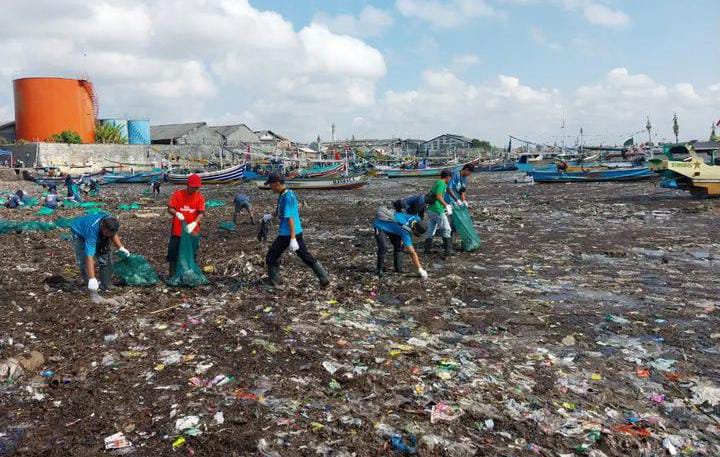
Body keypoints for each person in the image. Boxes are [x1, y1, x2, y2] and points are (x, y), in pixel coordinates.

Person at [264, 173, 329, 288]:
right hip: (294, 232)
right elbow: (281, 210)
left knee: (271, 257)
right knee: (305, 256)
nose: (270, 187)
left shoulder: (286, 197)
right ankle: (324, 278)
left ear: (277, 183)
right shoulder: (286, 193)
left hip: (287, 234)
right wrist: (270, 215)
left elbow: (290, 218)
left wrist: (293, 238)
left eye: (271, 184)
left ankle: (274, 282)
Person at [70, 214, 129, 292]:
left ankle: (106, 284)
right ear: (102, 227)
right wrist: (92, 278)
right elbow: (89, 255)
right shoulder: (92, 232)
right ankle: (90, 284)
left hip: (97, 230)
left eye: (111, 234)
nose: (110, 235)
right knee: (83, 259)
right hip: (78, 231)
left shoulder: (110, 222)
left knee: (105, 258)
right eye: (107, 234)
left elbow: (113, 234)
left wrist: (120, 247)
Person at [166, 174, 205, 277]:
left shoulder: (199, 197)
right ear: (188, 185)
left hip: (192, 230)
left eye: (197, 187)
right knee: (173, 253)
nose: (195, 189)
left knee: (191, 253)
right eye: (194, 187)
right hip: (178, 230)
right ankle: (173, 274)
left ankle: (189, 273)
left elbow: (201, 212)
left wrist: (194, 223)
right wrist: (176, 213)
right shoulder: (178, 195)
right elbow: (170, 208)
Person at [373, 206, 428, 279]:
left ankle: (398, 268)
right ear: (414, 228)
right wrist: (420, 269)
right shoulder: (405, 231)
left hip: (395, 228)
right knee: (384, 246)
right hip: (380, 226)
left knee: (399, 246)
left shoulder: (417, 219)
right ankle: (379, 269)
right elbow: (412, 252)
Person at [422, 170, 454, 256]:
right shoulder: (441, 183)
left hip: (431, 209)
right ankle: (448, 250)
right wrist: (446, 205)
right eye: (450, 178)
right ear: (448, 177)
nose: (450, 180)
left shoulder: (438, 182)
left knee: (431, 229)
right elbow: (439, 196)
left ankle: (427, 249)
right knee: (447, 229)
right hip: (437, 210)